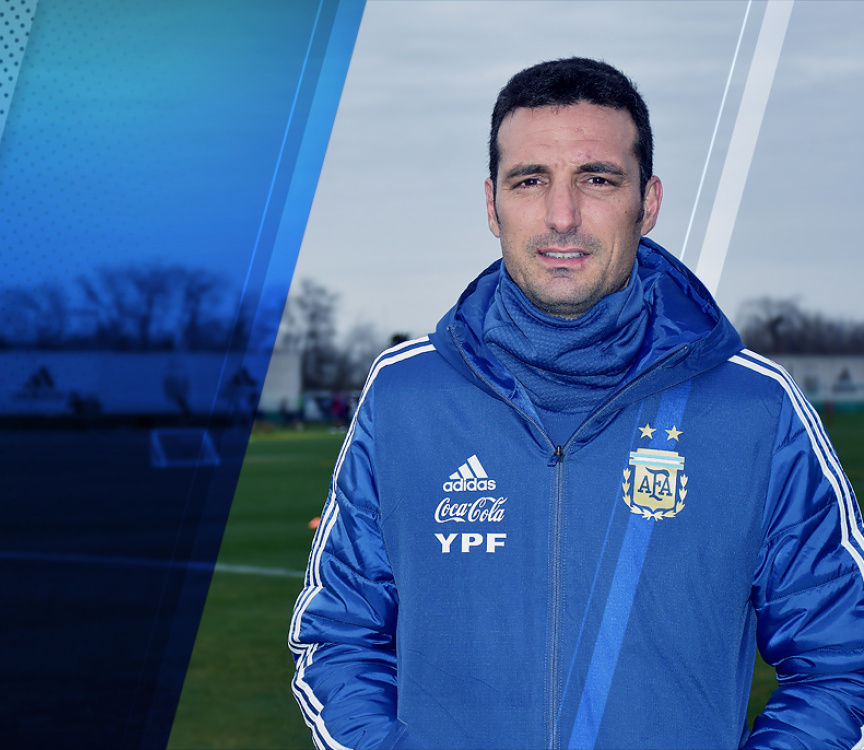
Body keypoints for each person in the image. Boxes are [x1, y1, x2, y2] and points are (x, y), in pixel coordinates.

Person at [288, 58, 864, 749]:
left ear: (648, 203)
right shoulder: (405, 395)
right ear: (492, 204)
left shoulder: (756, 409)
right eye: (530, 180)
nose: (562, 217)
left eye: (598, 179)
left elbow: (843, 664)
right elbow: (337, 640)